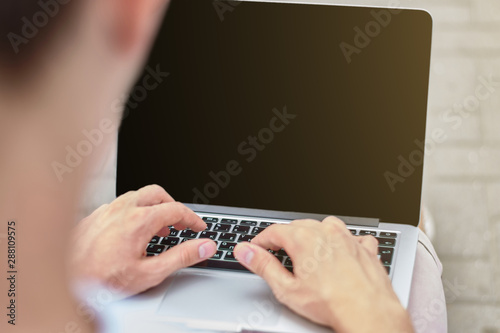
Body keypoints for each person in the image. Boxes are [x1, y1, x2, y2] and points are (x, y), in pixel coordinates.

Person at [0, 1, 446, 332]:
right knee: (415, 263)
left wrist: (66, 272)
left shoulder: (17, 289)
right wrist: (370, 312)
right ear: (130, 15)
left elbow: (15, 292)